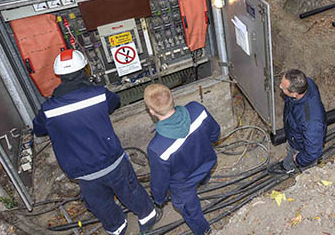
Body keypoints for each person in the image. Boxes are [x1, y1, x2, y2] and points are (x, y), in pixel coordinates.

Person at [33, 49, 161, 235]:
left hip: (83, 172)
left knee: (100, 204)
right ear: (84, 69)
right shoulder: (98, 94)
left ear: (59, 75)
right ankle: (148, 217)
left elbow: (38, 129)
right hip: (112, 161)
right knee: (129, 190)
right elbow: (114, 103)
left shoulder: (49, 109)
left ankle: (117, 228)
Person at [144, 84, 220, 235]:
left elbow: (160, 180)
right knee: (203, 176)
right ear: (172, 98)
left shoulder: (157, 148)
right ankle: (203, 181)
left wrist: (159, 199)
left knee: (191, 212)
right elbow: (215, 133)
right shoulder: (197, 110)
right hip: (206, 162)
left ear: (151, 111)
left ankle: (204, 231)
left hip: (184, 185)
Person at [271, 69, 327, 174]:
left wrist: (299, 159)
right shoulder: (306, 83)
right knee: (290, 151)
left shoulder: (312, 122)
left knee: (307, 173)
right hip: (294, 135)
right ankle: (288, 166)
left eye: (283, 87)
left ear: (294, 94)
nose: (280, 86)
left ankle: (299, 171)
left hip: (302, 148)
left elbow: (313, 152)